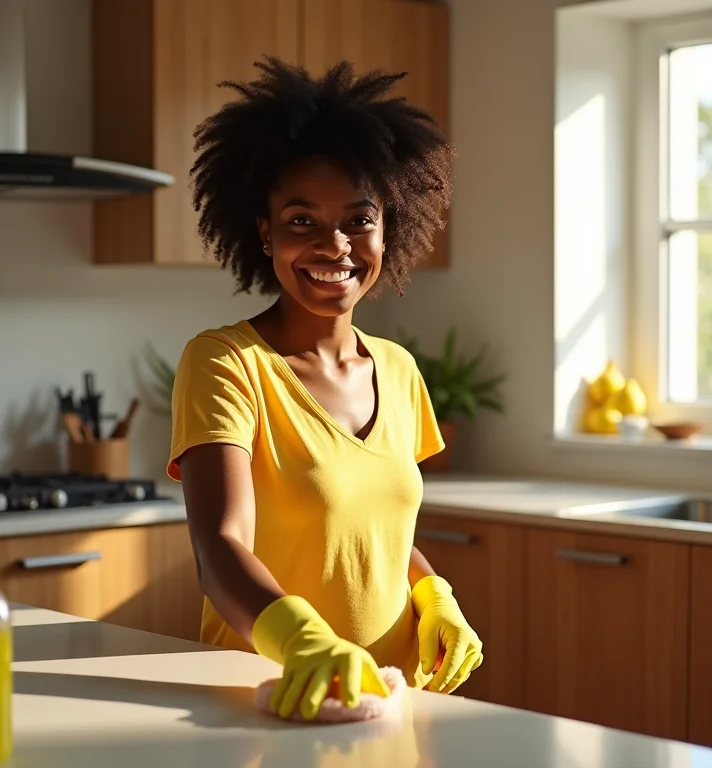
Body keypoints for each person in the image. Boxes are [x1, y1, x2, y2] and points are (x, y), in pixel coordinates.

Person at [167, 56, 483, 722]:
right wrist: (304, 642)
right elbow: (220, 545)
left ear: (388, 226)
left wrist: (435, 597)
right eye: (302, 220)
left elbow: (375, 535)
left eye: (358, 220)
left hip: (391, 701)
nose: (334, 244)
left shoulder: (398, 369)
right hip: (269, 699)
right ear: (265, 232)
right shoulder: (227, 364)